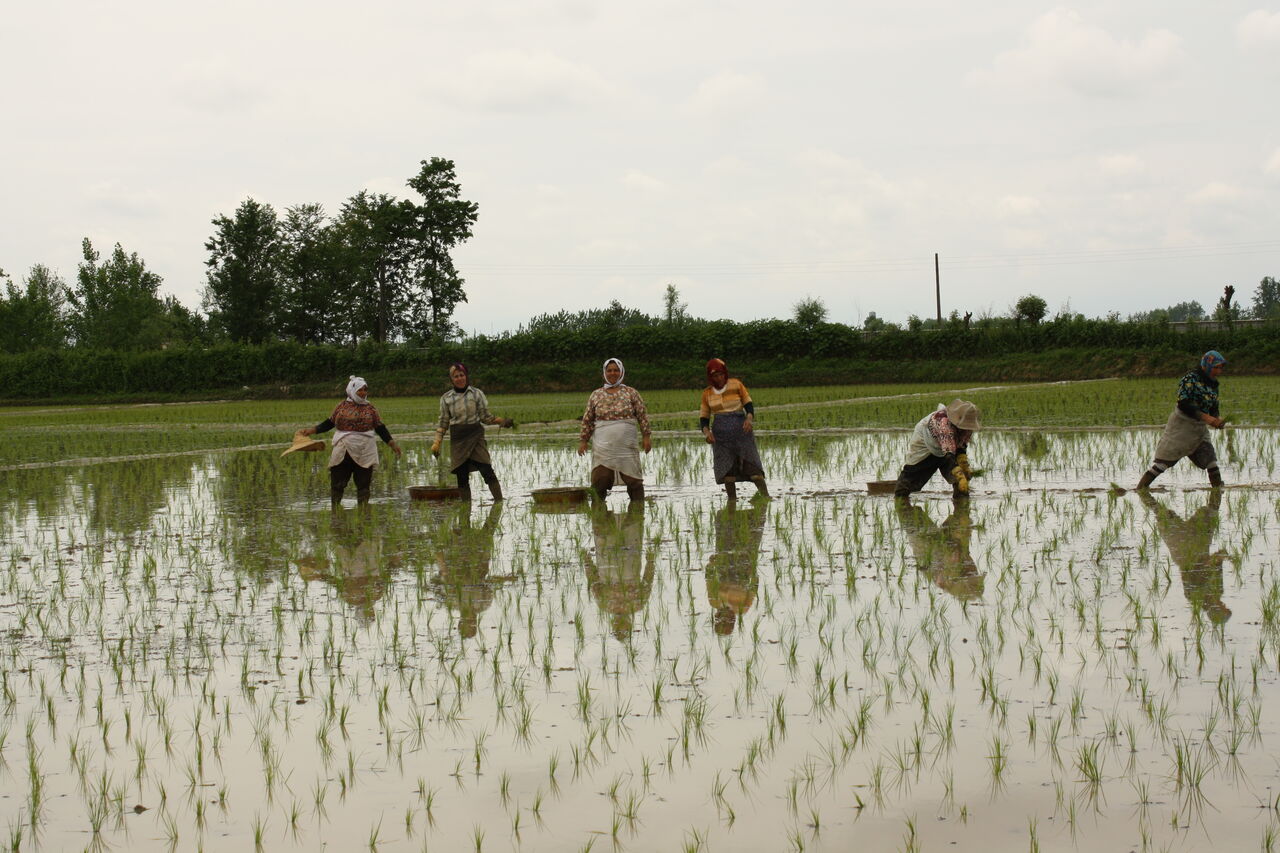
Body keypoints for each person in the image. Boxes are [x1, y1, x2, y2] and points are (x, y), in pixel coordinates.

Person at [300, 376, 401, 507]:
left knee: (363, 486)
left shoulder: (371, 408)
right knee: (337, 485)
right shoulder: (341, 406)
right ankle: (335, 514)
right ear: (352, 390)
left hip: (365, 450)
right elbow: (329, 423)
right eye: (360, 390)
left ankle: (364, 514)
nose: (363, 393)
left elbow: (380, 428)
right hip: (344, 449)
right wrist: (312, 430)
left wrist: (392, 444)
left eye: (365, 390)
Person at [1137, 488, 1230, 624]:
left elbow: (1193, 571)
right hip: (1199, 545)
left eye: (1224, 608)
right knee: (1210, 512)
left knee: (1164, 514)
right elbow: (1215, 564)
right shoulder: (1218, 591)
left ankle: (1142, 491)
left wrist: (1215, 560)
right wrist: (1220, 557)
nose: (1224, 605)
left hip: (1184, 551)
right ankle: (1216, 486)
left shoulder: (1194, 596)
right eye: (1225, 607)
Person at [1136, 351, 1227, 490]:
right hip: (1182, 427)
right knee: (1162, 465)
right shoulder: (1190, 379)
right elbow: (1184, 404)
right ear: (1206, 366)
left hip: (1199, 430)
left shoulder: (1213, 384)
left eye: (1221, 368)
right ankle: (1141, 489)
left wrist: (1216, 419)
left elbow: (1214, 406)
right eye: (1216, 367)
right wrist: (1207, 418)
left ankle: (1217, 492)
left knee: (1211, 462)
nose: (1219, 371)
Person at [431, 363, 515, 501]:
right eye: (456, 376)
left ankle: (499, 502)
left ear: (466, 376)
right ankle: (465, 509)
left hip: (476, 436)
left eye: (462, 375)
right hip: (458, 440)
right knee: (462, 477)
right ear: (452, 379)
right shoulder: (446, 398)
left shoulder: (476, 394)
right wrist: (437, 441)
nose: (459, 378)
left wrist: (501, 421)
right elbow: (443, 423)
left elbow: (485, 417)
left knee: (487, 471)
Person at [578, 358, 651, 502]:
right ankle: (599, 513)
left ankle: (637, 512)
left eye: (616, 370)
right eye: (609, 370)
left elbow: (642, 415)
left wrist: (646, 436)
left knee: (634, 480)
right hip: (602, 444)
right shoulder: (596, 394)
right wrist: (583, 441)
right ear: (604, 373)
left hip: (626, 444)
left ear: (621, 372)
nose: (613, 373)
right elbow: (588, 419)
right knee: (601, 479)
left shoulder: (631, 393)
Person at [583, 504, 655, 642]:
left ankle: (604, 505)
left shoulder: (637, 605)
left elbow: (594, 582)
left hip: (618, 566)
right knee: (613, 529)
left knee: (629, 527)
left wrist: (651, 562)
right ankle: (609, 508)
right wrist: (587, 562)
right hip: (620, 567)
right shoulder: (606, 605)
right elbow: (594, 582)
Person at [699, 358, 768, 500]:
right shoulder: (707, 393)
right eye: (715, 376)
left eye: (721, 374)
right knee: (728, 473)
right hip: (721, 438)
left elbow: (748, 404)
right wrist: (707, 433)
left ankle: (766, 496)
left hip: (742, 433)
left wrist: (749, 419)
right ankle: (732, 502)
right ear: (710, 377)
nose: (719, 378)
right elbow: (704, 418)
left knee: (753, 468)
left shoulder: (736, 385)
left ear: (725, 373)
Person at [894, 501, 984, 602]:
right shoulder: (952, 573)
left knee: (908, 510)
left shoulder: (944, 580)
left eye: (972, 573)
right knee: (905, 503)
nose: (973, 568)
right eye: (973, 573)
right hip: (930, 543)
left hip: (928, 545)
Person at [893, 399, 981, 499]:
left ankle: (961, 500)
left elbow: (961, 445)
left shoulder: (968, 427)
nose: (967, 429)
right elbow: (948, 454)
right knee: (912, 473)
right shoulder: (943, 423)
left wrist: (963, 462)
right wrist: (959, 474)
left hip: (948, 446)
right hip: (926, 440)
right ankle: (900, 498)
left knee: (961, 476)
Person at [704, 502, 767, 635]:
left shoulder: (714, 601)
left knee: (727, 534)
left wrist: (710, 565)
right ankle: (756, 508)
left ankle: (732, 506)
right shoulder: (742, 608)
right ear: (732, 620)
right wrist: (754, 571)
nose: (724, 618)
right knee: (748, 537)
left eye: (722, 620)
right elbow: (753, 588)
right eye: (726, 621)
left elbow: (709, 581)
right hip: (743, 570)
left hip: (724, 567)